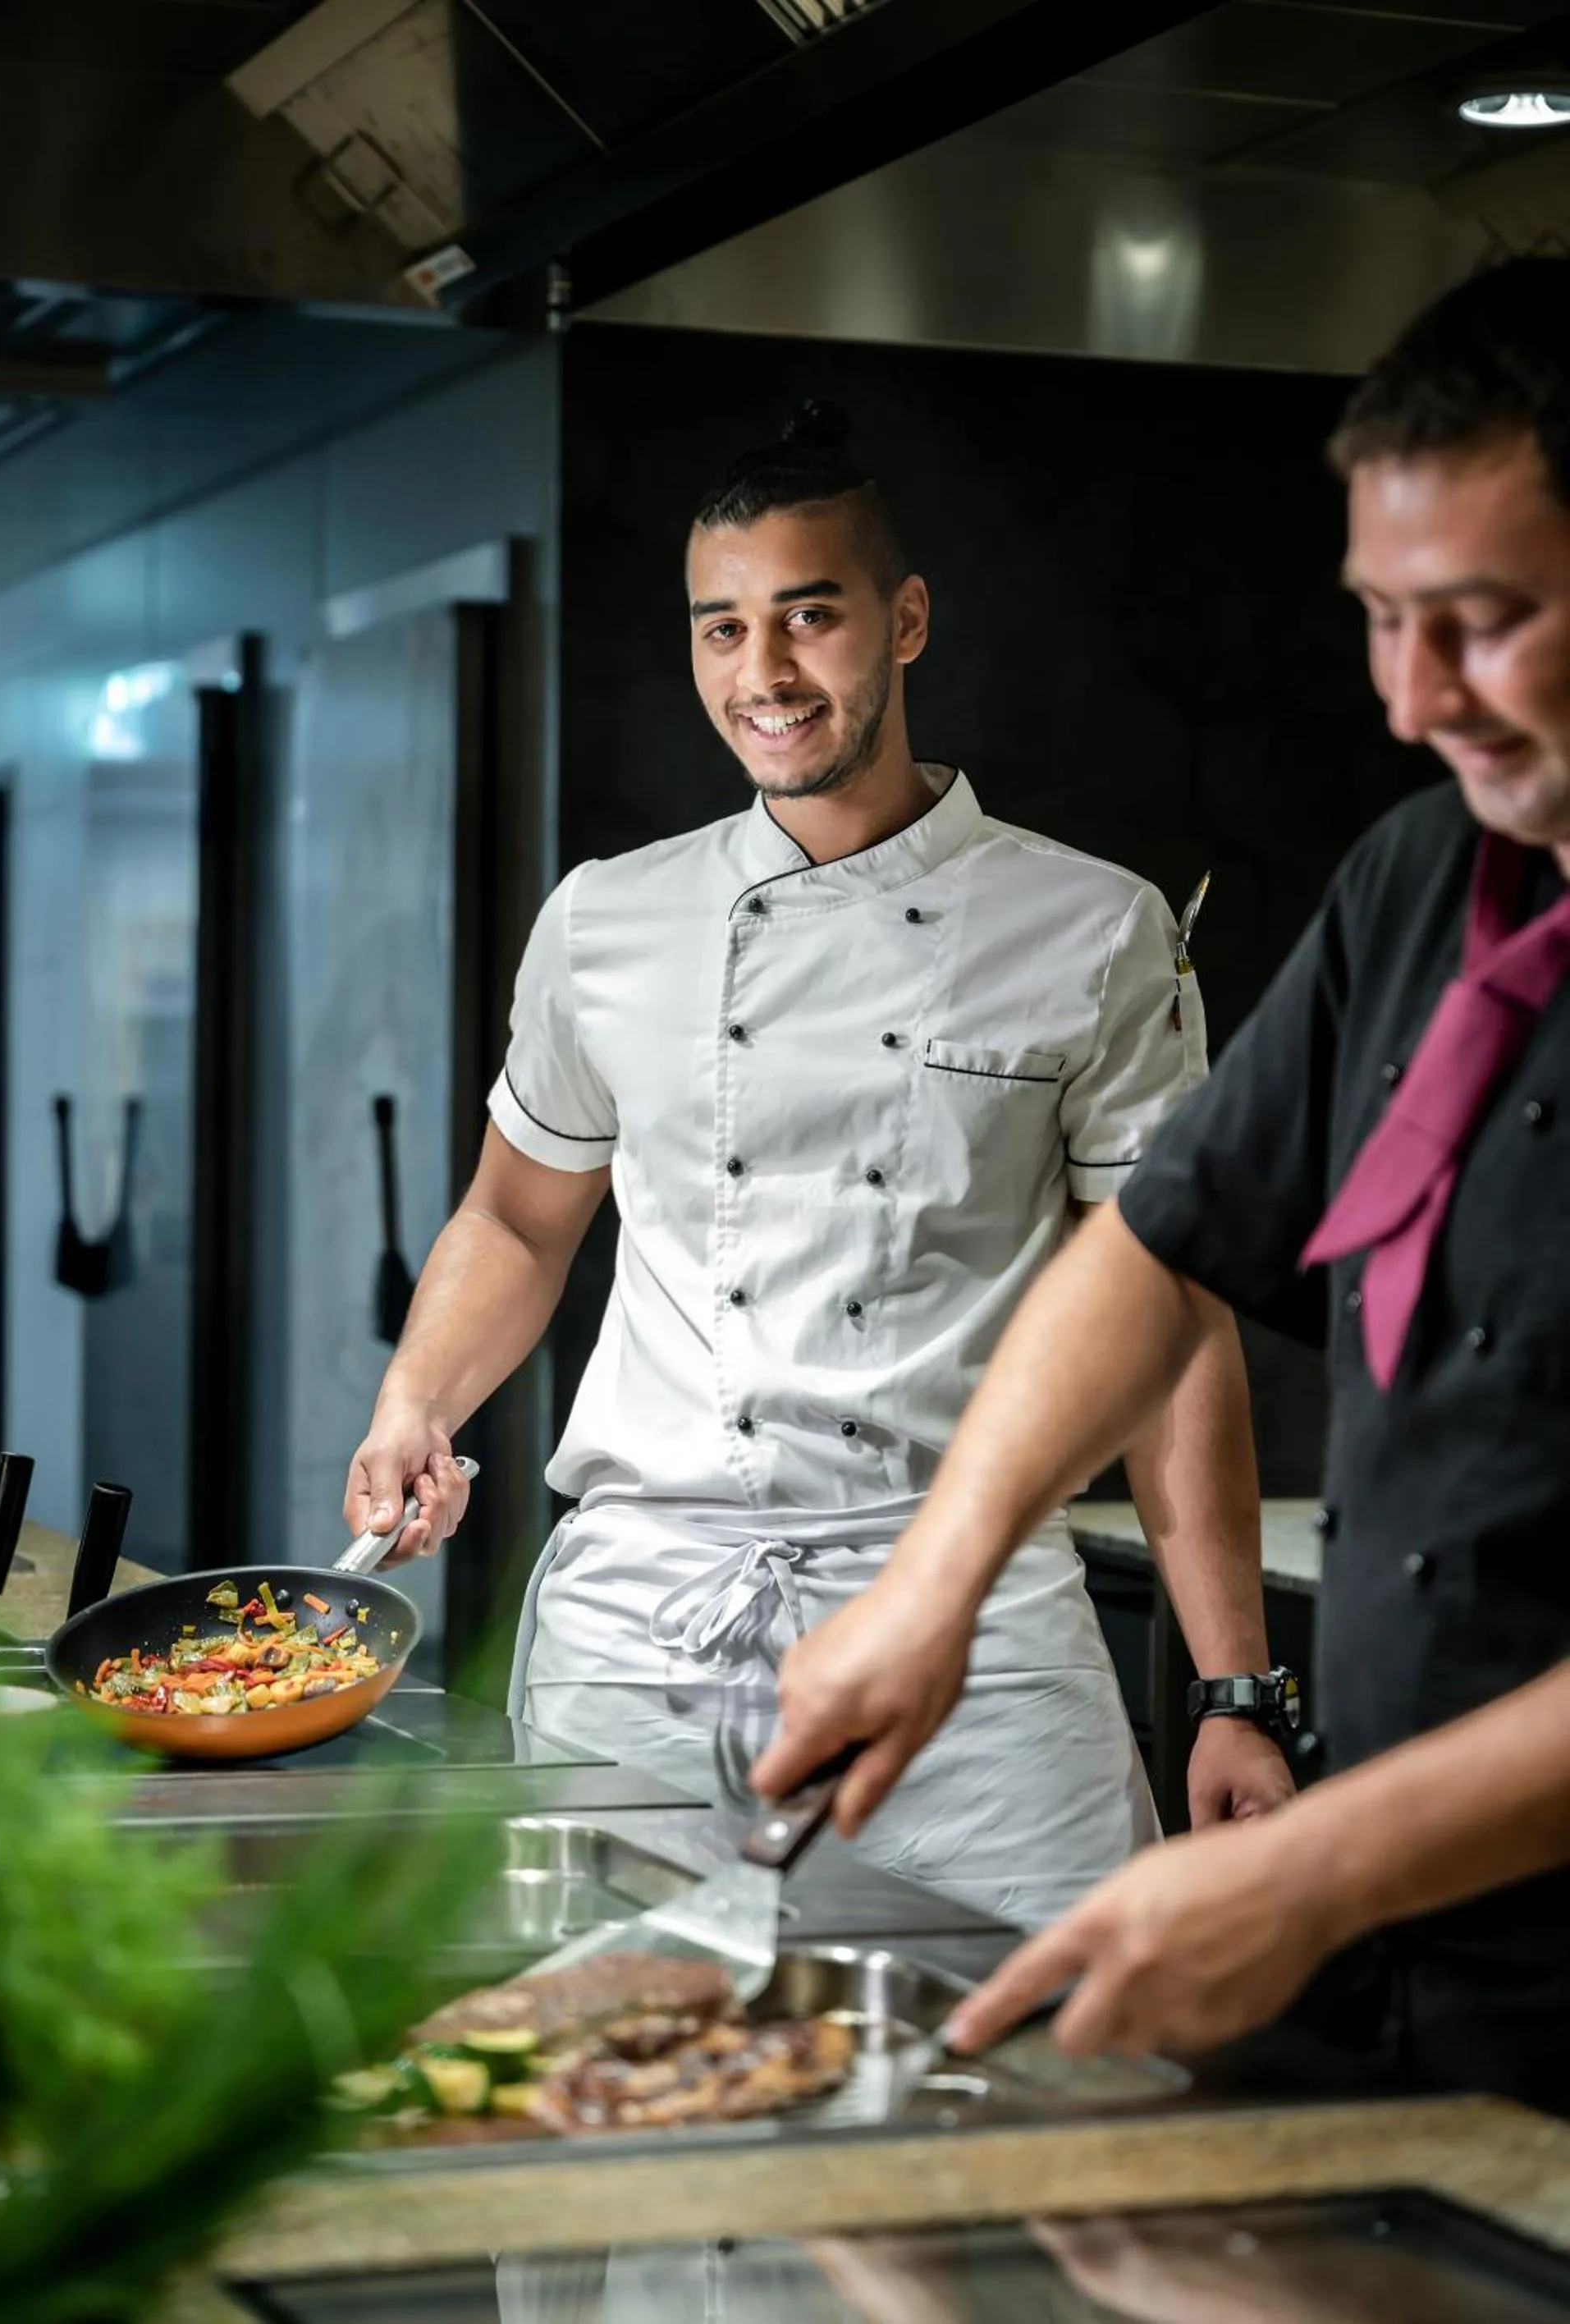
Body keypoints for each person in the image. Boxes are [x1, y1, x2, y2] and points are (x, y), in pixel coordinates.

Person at [752, 259, 1570, 2109]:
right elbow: (1154, 1248)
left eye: (1486, 621)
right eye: (1383, 620)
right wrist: (932, 1585)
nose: (1413, 698)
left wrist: (1307, 1868)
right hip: (1425, 1953)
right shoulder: (1420, 877)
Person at [345, 401, 1291, 1927]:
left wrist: (1236, 1688)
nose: (764, 672)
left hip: (973, 1641)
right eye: (722, 628)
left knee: (1048, 2042)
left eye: (810, 615)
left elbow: (1170, 1320)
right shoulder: (605, 920)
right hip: (645, 1628)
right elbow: (517, 1221)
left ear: (905, 621)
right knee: (602, 2039)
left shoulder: (1096, 929)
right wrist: (416, 1399)